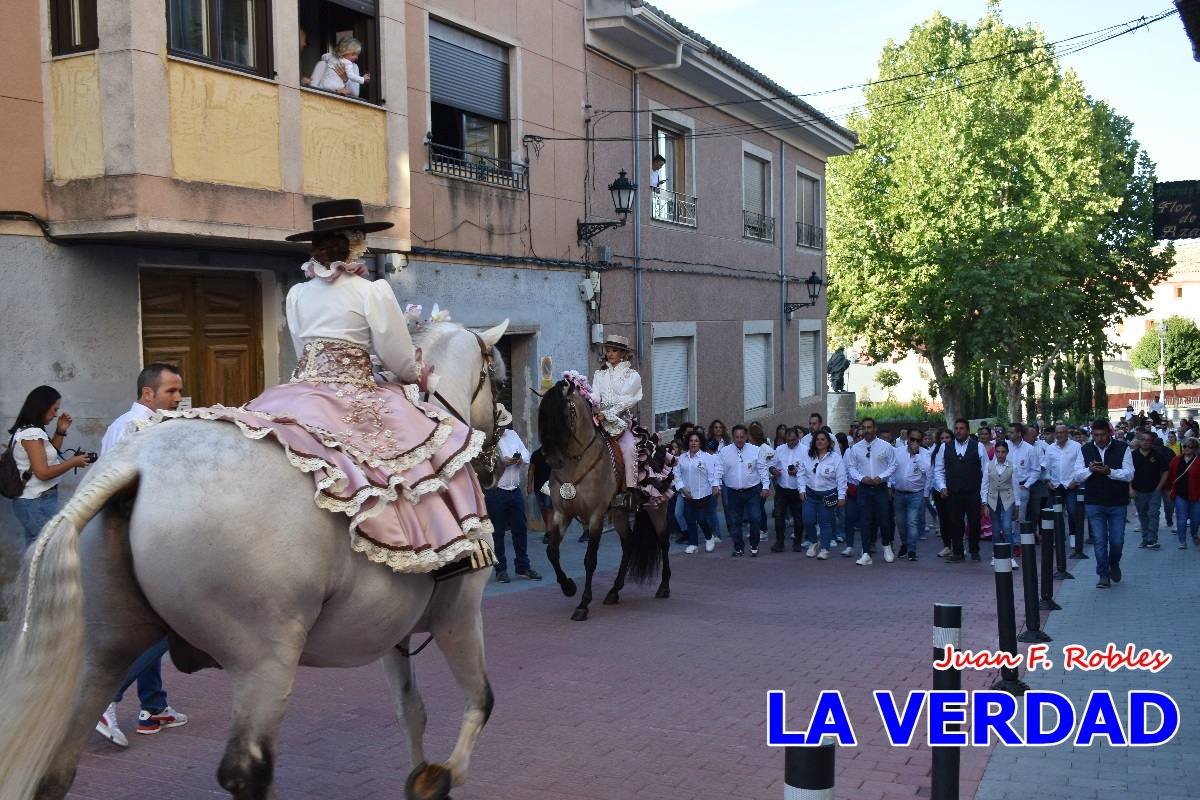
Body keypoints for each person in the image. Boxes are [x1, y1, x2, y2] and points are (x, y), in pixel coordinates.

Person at [94, 364, 188, 747]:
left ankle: (153, 707)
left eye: (180, 391)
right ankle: (108, 697)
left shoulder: (142, 425)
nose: (178, 398)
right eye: (170, 392)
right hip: (140, 542)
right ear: (147, 394)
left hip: (145, 539)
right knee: (167, 627)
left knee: (152, 625)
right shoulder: (133, 428)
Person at [6, 385, 91, 544]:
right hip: (34, 502)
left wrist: (60, 431)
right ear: (42, 407)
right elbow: (43, 472)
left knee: (36, 551)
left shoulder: (33, 430)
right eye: (54, 409)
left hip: (40, 500)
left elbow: (49, 456)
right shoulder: (31, 434)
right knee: (47, 550)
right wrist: (72, 462)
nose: (55, 414)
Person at [1073, 419, 1134, 588]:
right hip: (1094, 502)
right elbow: (1077, 476)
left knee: (1117, 541)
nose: (1099, 438)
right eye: (1096, 435)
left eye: (1102, 434)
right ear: (1092, 434)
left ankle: (1114, 563)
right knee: (1099, 540)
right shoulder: (1085, 449)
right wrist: (1089, 470)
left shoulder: (1123, 448)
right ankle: (1103, 574)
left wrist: (1110, 472)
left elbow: (1129, 474)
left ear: (1109, 433)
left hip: (1117, 502)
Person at [485, 406, 541, 583]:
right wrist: (503, 461)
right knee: (498, 532)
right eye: (499, 426)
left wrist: (519, 459)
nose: (502, 429)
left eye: (503, 425)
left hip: (514, 489)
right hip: (496, 490)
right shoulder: (487, 439)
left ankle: (522, 567)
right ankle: (501, 569)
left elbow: (525, 453)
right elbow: (485, 463)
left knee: (520, 529)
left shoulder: (513, 435)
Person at [591, 334, 642, 505]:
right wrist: (595, 407)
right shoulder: (599, 374)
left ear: (623, 354)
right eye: (608, 350)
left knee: (629, 448)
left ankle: (629, 491)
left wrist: (609, 413)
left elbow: (627, 400)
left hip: (621, 422)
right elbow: (595, 396)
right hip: (599, 420)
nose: (610, 354)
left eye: (614, 351)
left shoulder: (632, 376)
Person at [932, 418, 990, 563]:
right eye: (956, 428)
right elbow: (938, 470)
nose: (958, 431)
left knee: (975, 522)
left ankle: (974, 550)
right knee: (955, 522)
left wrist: (984, 495)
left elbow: (986, 471)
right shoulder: (945, 447)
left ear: (968, 430)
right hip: (953, 492)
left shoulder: (978, 447)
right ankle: (958, 552)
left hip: (973, 491)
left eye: (961, 428)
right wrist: (941, 487)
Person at [844, 417, 897, 565]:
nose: (867, 430)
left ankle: (886, 547)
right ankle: (866, 552)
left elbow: (893, 465)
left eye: (869, 427)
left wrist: (882, 477)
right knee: (865, 521)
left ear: (875, 429)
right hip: (864, 488)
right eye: (864, 428)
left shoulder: (886, 446)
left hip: (880, 488)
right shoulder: (855, 448)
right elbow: (851, 468)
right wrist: (861, 478)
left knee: (884, 519)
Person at [717, 425, 771, 557]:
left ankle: (754, 545)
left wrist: (765, 486)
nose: (739, 440)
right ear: (733, 437)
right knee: (735, 521)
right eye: (737, 437)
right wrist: (716, 485)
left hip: (753, 490)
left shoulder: (756, 450)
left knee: (755, 518)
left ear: (746, 437)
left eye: (742, 437)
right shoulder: (724, 452)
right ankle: (739, 547)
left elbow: (763, 469)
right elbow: (719, 469)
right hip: (733, 491)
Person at [799, 430, 847, 559]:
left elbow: (841, 478)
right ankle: (814, 542)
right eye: (817, 439)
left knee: (825, 522)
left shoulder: (835, 458)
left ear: (828, 442)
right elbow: (801, 473)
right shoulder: (808, 456)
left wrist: (841, 496)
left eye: (822, 439)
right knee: (808, 520)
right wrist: (801, 489)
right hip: (810, 493)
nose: (819, 442)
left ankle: (825, 549)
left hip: (828, 494)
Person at [674, 431, 720, 554]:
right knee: (689, 519)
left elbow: (713, 474)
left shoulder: (706, 457)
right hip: (687, 494)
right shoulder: (681, 458)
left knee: (701, 519)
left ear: (700, 443)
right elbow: (677, 476)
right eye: (691, 440)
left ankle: (709, 537)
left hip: (703, 494)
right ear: (687, 442)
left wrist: (715, 486)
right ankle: (693, 544)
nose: (693, 443)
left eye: (696, 441)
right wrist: (682, 488)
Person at [890, 429, 930, 562]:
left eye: (918, 440)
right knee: (900, 523)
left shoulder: (925, 454)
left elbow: (926, 470)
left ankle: (912, 550)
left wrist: (916, 454)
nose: (915, 442)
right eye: (912, 439)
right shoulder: (898, 451)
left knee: (912, 522)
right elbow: (891, 469)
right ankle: (905, 544)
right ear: (907, 438)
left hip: (916, 493)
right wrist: (889, 485)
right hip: (899, 493)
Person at [1130, 430, 1169, 550]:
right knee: (1143, 515)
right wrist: (1130, 488)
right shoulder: (1132, 455)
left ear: (1152, 442)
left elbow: (1165, 472)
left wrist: (1159, 487)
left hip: (1154, 490)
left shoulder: (1157, 455)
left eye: (1148, 440)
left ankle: (1152, 539)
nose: (1145, 442)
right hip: (1138, 490)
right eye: (1143, 440)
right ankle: (1145, 539)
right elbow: (1127, 473)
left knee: (1153, 513)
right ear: (1139, 440)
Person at [986, 440, 1020, 569]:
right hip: (993, 499)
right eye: (998, 452)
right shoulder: (988, 466)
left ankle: (1010, 557)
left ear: (1007, 452)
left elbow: (1015, 486)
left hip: (1007, 499)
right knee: (995, 529)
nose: (1000, 454)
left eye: (1003, 452)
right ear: (995, 452)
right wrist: (984, 503)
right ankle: (995, 555)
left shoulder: (1012, 466)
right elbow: (985, 485)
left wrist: (1017, 504)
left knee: (1006, 527)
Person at [771, 426, 805, 553]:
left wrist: (797, 472)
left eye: (793, 440)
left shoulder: (805, 451)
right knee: (779, 515)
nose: (790, 442)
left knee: (798, 517)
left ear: (798, 438)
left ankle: (797, 543)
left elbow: (809, 469)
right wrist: (774, 471)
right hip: (782, 488)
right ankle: (779, 542)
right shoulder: (779, 449)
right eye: (788, 440)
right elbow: (771, 465)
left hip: (797, 488)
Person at [1166, 438, 1200, 549]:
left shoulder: (1198, 461)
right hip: (1180, 495)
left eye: (1190, 446)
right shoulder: (1176, 460)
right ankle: (1182, 541)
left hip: (1196, 495)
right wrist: (1171, 489)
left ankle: (1194, 533)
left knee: (1195, 519)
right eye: (1185, 446)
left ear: (1195, 449)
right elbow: (1170, 475)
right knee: (1182, 519)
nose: (1186, 449)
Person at [529, 445, 554, 545]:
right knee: (543, 508)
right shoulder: (536, 454)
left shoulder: (553, 454)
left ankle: (548, 533)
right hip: (538, 487)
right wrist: (529, 485)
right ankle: (550, 529)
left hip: (550, 486)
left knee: (548, 508)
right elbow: (531, 470)